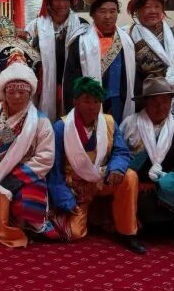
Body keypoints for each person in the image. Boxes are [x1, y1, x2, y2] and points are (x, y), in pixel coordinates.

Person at [49, 77, 144, 254]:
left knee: (129, 176)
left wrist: (116, 167)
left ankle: (127, 233)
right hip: (76, 188)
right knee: (74, 233)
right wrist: (65, 200)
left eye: (96, 101)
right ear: (75, 102)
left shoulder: (109, 122)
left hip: (102, 180)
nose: (92, 107)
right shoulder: (61, 127)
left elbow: (121, 151)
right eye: (86, 101)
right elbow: (54, 169)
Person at [0, 62, 56, 247]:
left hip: (25, 176)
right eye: (11, 92)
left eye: (22, 92)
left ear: (30, 94)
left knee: (26, 201)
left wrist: (11, 181)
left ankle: (26, 225)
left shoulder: (40, 122)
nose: (16, 97)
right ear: (4, 92)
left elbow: (45, 157)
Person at [120, 77, 174, 235]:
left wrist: (165, 186)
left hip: (171, 185)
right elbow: (119, 156)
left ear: (171, 102)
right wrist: (138, 184)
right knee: (141, 205)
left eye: (165, 101)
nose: (160, 107)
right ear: (145, 103)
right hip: (139, 188)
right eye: (154, 102)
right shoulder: (130, 124)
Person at [63, 0, 135, 123]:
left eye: (113, 11)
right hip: (90, 104)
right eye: (102, 11)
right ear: (93, 14)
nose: (108, 16)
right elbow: (71, 78)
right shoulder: (80, 41)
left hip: (119, 102)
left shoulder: (126, 41)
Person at [27, 0, 88, 121]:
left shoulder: (82, 25)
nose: (61, 4)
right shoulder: (35, 26)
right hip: (44, 86)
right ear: (49, 2)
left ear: (71, 0)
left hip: (74, 85)